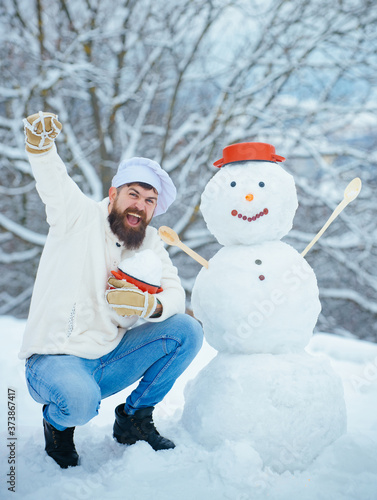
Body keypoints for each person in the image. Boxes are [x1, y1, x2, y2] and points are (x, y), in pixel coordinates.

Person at [19, 112, 203, 469]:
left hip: (110, 358)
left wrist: (148, 305)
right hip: (56, 359)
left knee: (187, 330)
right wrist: (40, 147)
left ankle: (133, 419)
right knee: (80, 402)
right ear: (114, 193)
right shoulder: (77, 217)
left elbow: (176, 295)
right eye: (133, 194)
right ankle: (58, 424)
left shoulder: (150, 242)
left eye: (150, 201)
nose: (140, 205)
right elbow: (53, 181)